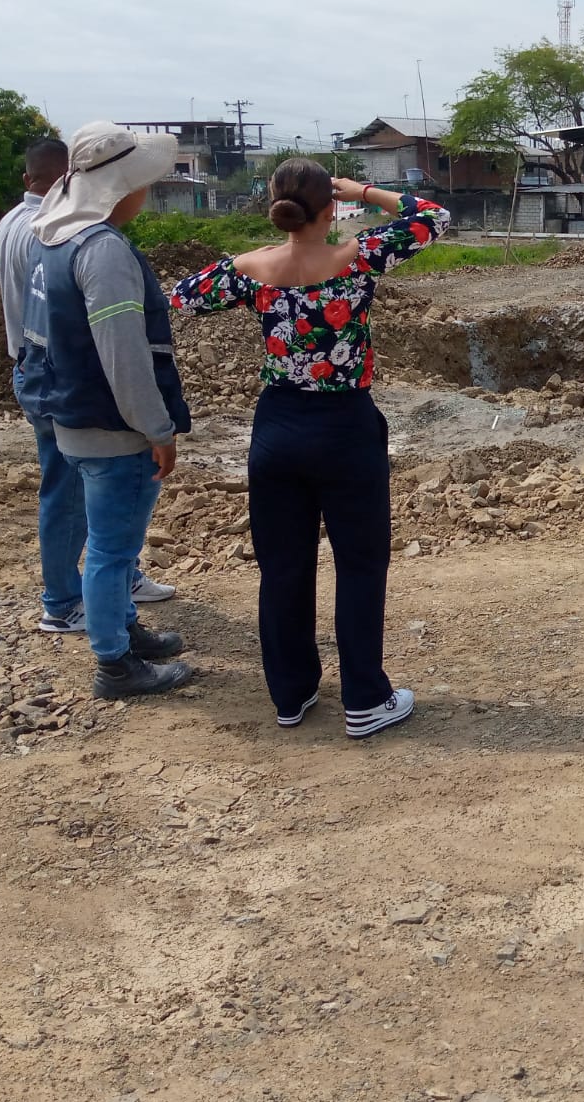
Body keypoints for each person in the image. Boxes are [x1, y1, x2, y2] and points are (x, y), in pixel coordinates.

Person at [170, 160, 449, 734]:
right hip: (345, 425)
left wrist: (246, 266)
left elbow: (182, 297)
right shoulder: (359, 256)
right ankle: (365, 700)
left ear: (276, 205)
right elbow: (433, 216)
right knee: (360, 565)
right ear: (331, 207)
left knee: (283, 566)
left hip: (278, 428)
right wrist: (365, 190)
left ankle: (290, 694)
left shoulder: (250, 270)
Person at [18, 122, 194, 699]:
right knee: (113, 550)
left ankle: (124, 629)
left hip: (70, 413)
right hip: (113, 428)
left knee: (108, 543)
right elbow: (123, 355)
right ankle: (115, 665)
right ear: (123, 188)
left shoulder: (52, 238)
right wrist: (157, 428)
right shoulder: (104, 252)